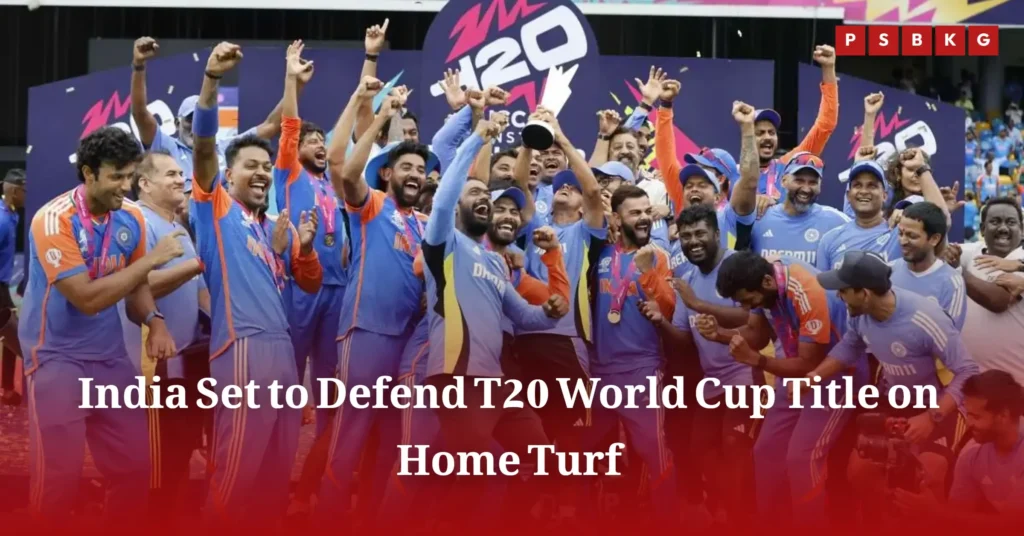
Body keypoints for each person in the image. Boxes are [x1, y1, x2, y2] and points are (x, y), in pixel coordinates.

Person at [19, 126, 182, 521]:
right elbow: (87, 298)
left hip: (110, 362)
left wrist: (154, 320)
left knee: (134, 469)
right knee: (60, 477)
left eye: (130, 176)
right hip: (56, 360)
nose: (125, 187)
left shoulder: (130, 219)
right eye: (115, 176)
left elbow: (136, 285)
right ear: (89, 173)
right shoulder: (53, 219)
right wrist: (151, 260)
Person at [188, 42, 322, 522]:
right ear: (227, 176)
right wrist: (211, 80)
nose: (263, 173)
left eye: (267, 168)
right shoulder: (215, 208)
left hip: (283, 353)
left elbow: (308, 287)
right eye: (252, 166)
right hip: (242, 348)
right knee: (235, 478)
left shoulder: (270, 228)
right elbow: (204, 146)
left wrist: (301, 248)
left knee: (272, 479)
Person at [423, 118, 565, 524]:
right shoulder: (443, 243)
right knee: (470, 481)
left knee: (542, 461)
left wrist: (549, 313)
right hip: (457, 379)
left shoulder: (494, 261)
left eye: (487, 193)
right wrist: (478, 139)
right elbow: (446, 195)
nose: (483, 198)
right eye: (475, 194)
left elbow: (523, 316)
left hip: (497, 384)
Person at [318, 76, 436, 519]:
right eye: (406, 168)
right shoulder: (371, 206)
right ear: (387, 173)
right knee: (349, 438)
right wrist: (383, 113)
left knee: (391, 444)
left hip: (407, 347)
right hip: (366, 334)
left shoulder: (425, 224)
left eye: (421, 171)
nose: (415, 176)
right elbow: (346, 169)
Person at [810, 250, 980, 507]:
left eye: (843, 290)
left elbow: (968, 372)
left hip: (939, 404)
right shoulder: (859, 314)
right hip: (895, 400)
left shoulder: (925, 318)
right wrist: (812, 377)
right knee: (860, 473)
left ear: (864, 294)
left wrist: (931, 417)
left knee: (930, 476)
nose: (839, 296)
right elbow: (850, 346)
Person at [699, 250, 850, 525]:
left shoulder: (806, 290)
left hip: (835, 377)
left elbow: (809, 364)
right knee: (766, 451)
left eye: (748, 301)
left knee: (801, 458)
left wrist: (756, 360)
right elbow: (757, 335)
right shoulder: (763, 279)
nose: (746, 308)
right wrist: (718, 335)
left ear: (767, 283)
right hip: (793, 373)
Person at [651, 204, 757, 522]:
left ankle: (744, 519)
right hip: (712, 383)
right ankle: (730, 512)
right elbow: (684, 339)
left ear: (715, 233)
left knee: (734, 446)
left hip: (747, 375)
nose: (693, 241)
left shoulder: (737, 266)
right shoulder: (688, 276)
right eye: (685, 236)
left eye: (700, 234)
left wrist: (699, 304)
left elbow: (755, 318)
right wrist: (660, 322)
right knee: (701, 450)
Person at [119, 149, 209, 522]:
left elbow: (200, 288)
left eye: (181, 174)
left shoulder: (175, 226)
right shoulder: (137, 219)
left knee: (178, 454)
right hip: (152, 369)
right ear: (144, 183)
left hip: (183, 363)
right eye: (170, 174)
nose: (180, 180)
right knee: (156, 466)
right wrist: (195, 265)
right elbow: (135, 287)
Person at [588, 184, 678, 522]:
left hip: (642, 369)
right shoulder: (600, 255)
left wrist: (649, 274)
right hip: (599, 372)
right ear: (617, 218)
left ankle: (667, 524)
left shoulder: (658, 256)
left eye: (646, 212)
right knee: (584, 455)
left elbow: (668, 309)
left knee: (654, 453)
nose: (643, 219)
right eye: (635, 213)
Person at [273, 40, 347, 437]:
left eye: (323, 141)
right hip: (301, 285)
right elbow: (288, 128)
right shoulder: (289, 174)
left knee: (330, 380)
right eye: (311, 141)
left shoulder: (334, 183)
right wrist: (291, 80)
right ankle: (279, 448)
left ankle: (325, 452)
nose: (319, 145)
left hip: (338, 286)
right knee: (291, 370)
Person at [129, 36, 289, 191]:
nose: (195, 128)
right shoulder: (165, 147)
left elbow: (271, 125)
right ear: (177, 124)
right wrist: (139, 66)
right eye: (190, 120)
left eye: (201, 121)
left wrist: (294, 82)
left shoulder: (228, 147)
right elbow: (140, 113)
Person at [902, 370, 1022, 521]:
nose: (968, 423)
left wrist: (937, 514)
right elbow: (958, 517)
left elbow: (1015, 526)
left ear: (1003, 415)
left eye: (976, 416)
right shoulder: (971, 454)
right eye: (968, 414)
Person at [946, 197, 1024, 386]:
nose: (1003, 228)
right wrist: (944, 216)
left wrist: (959, 272)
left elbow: (997, 302)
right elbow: (940, 248)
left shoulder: (1021, 262)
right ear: (982, 229)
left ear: (1022, 231)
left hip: (1016, 388)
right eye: (995, 221)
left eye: (1011, 222)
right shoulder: (971, 252)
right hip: (971, 386)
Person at [755, 45, 837, 202]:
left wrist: (828, 69)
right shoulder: (734, 174)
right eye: (759, 133)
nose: (767, 137)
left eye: (771, 132)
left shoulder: (788, 164)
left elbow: (825, 125)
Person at [749, 152, 850, 267]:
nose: (806, 189)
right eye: (799, 181)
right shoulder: (760, 215)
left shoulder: (836, 221)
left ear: (820, 186)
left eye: (813, 183)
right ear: (783, 181)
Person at [890, 201, 966, 329]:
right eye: (900, 233)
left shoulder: (953, 283)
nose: (903, 241)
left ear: (934, 239)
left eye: (911, 236)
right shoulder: (888, 271)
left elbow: (948, 337)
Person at [0, 168, 25, 405]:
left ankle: (7, 387)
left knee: (10, 334)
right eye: (25, 190)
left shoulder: (12, 213)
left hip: (4, 285)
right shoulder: (2, 220)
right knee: (11, 333)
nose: (28, 195)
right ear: (15, 191)